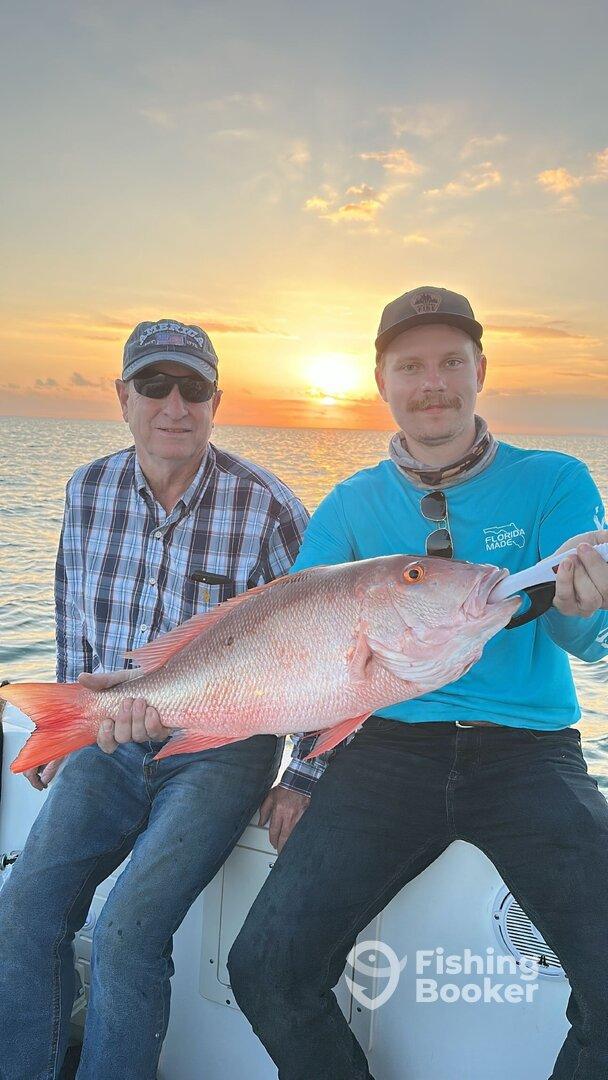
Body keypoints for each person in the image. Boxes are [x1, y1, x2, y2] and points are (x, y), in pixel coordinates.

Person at [227, 286, 608, 1080]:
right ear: (383, 382)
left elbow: (586, 641)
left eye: (450, 362)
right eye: (411, 366)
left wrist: (583, 607)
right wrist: (303, 772)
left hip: (530, 753)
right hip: (387, 751)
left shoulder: (553, 481)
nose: (432, 382)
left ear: (480, 370)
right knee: (266, 969)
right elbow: (305, 649)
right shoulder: (351, 504)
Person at [0, 319, 309, 1080]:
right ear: (123, 397)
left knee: (129, 930)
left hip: (221, 754)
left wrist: (306, 775)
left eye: (193, 388)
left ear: (216, 402)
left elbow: (328, 647)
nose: (174, 404)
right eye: (154, 384)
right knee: (26, 912)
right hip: (110, 739)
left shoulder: (270, 508)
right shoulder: (88, 487)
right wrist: (69, 725)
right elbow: (73, 606)